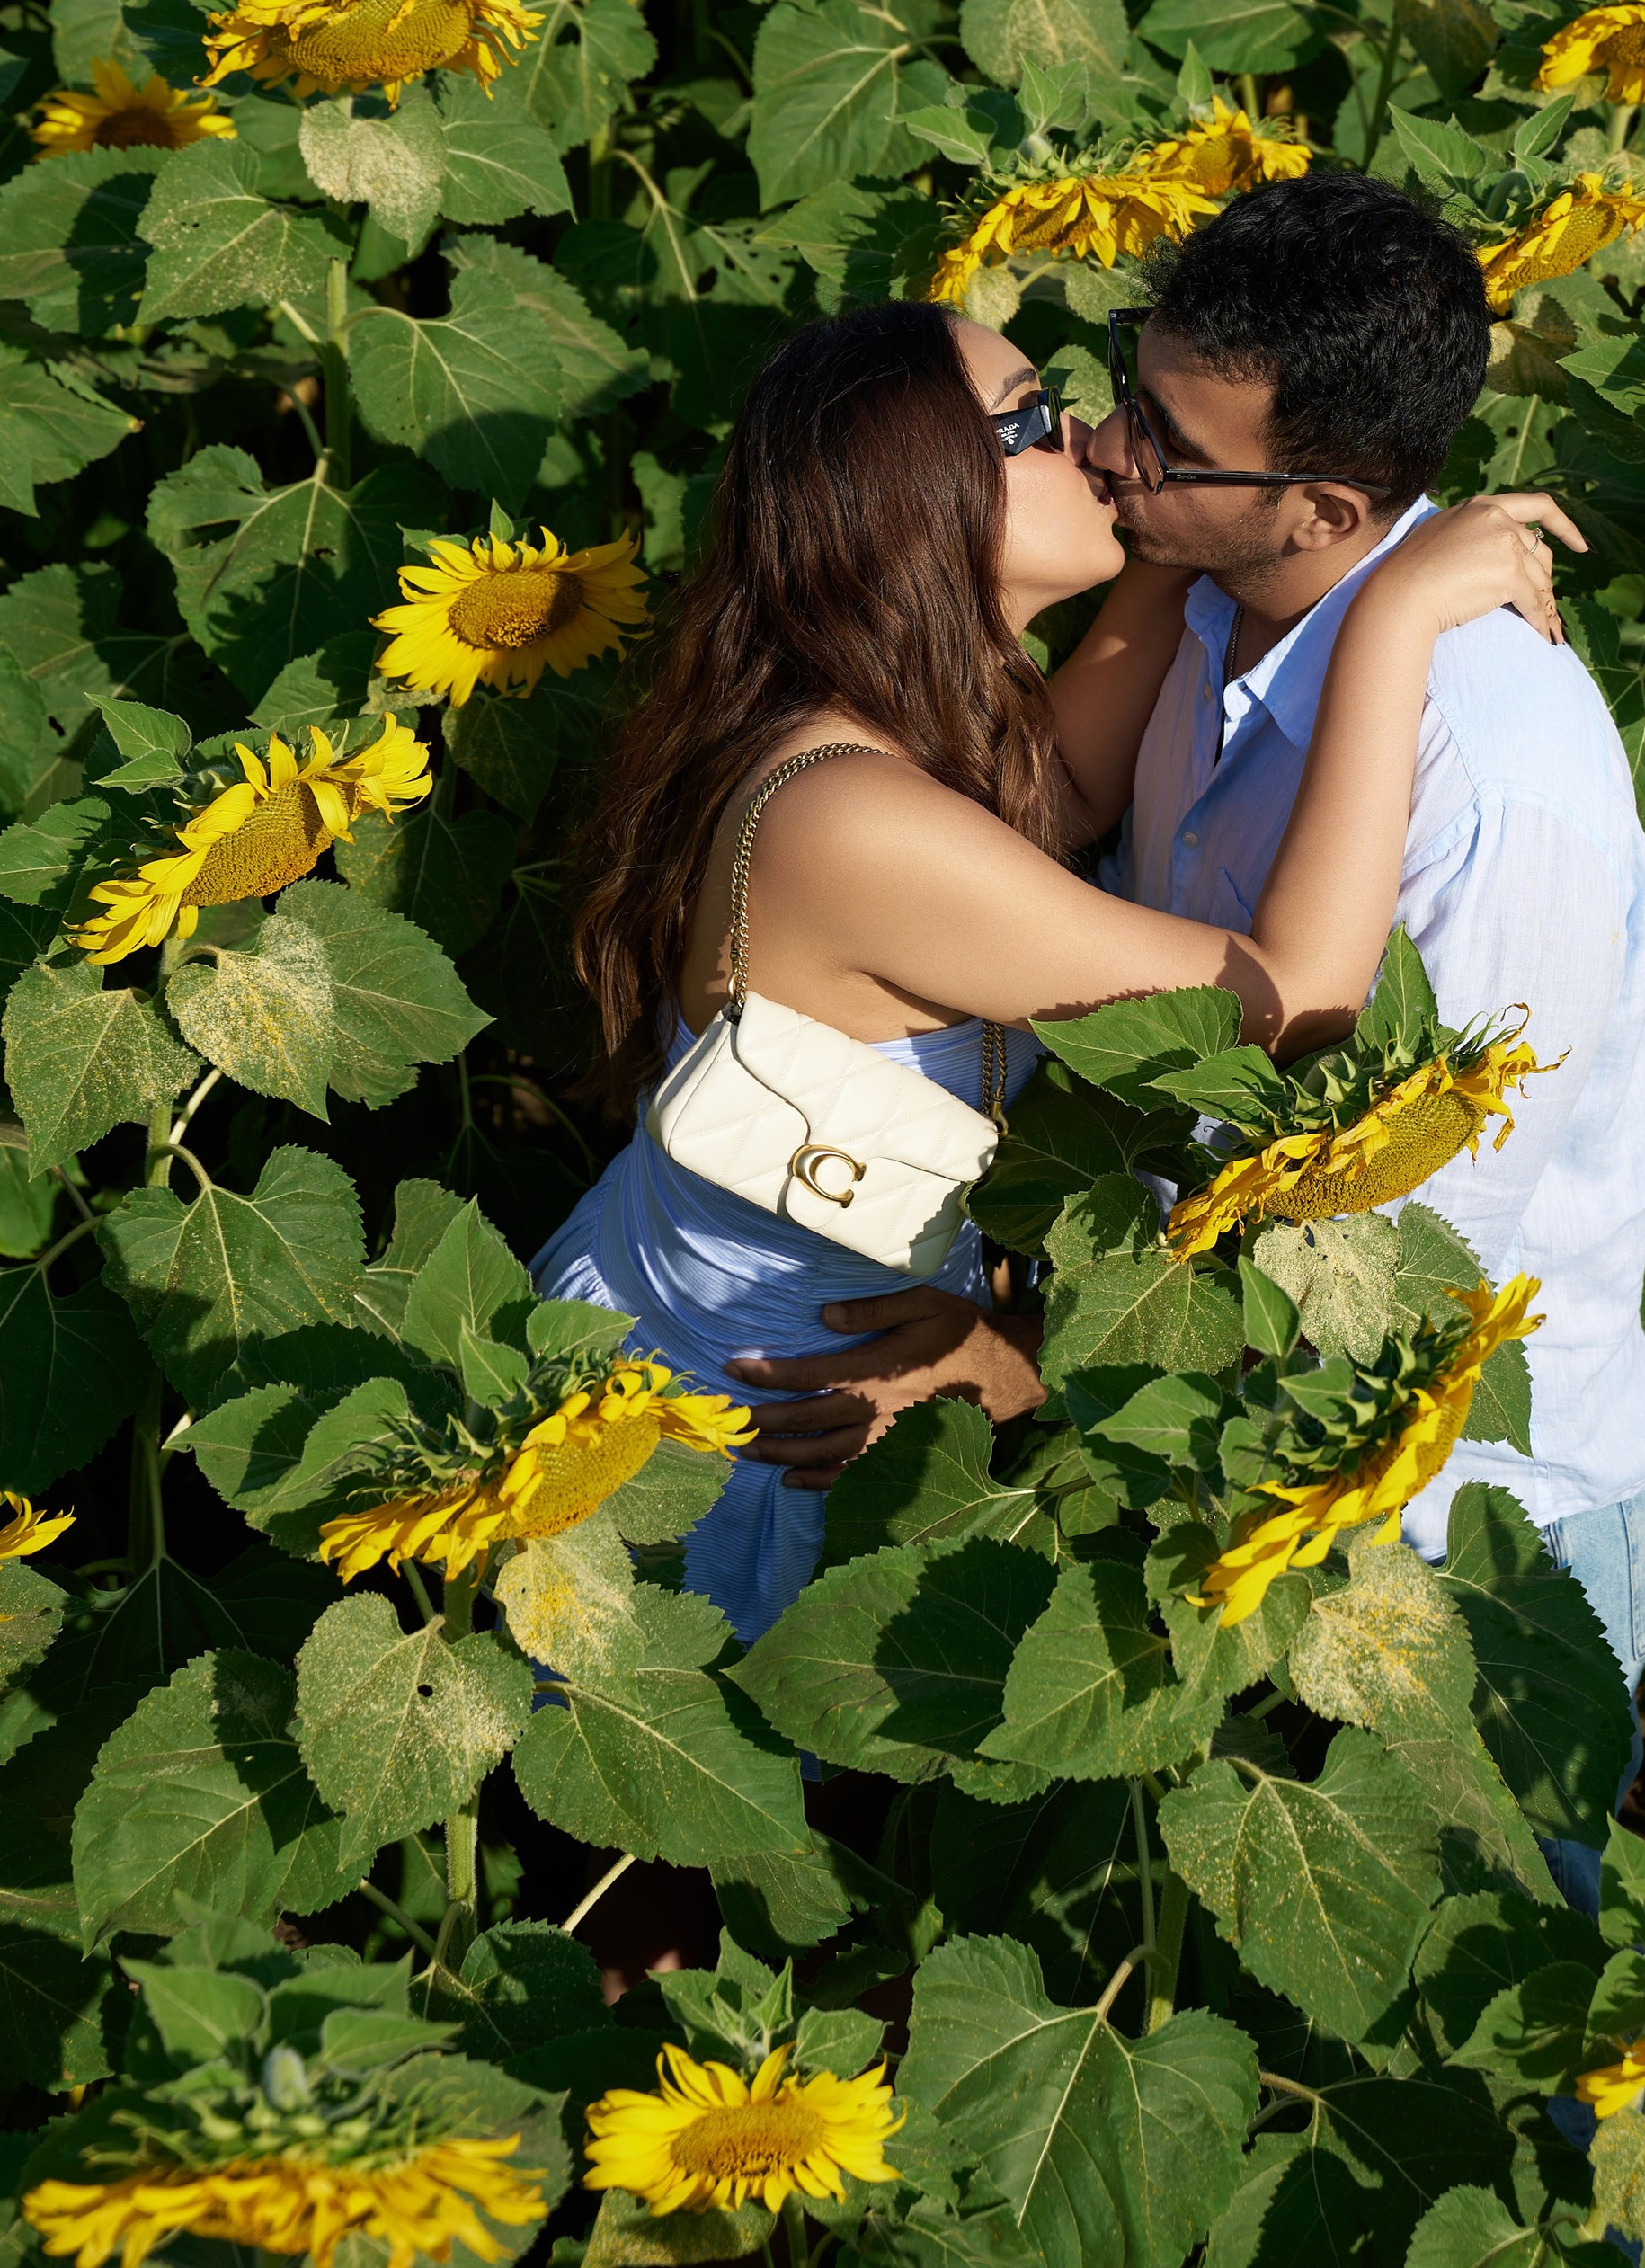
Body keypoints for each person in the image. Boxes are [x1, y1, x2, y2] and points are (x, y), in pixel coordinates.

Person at [547, 296, 1565, 1643]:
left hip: (763, 1348)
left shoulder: (860, 719)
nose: (1086, 437)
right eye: (1027, 420)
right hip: (742, 1427)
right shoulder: (857, 825)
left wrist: (1182, 518)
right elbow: (1285, 993)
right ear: (917, 498)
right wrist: (1393, 619)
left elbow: (1069, 790)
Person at [1085, 173, 1645, 1912]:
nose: (1117, 452)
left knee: (1497, 2050)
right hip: (1221, 1414)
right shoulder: (1203, 602)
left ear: (1327, 503)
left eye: (1168, 440)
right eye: (1129, 386)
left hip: (1465, 1514)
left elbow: (1409, 1243)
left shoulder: (1503, 787)